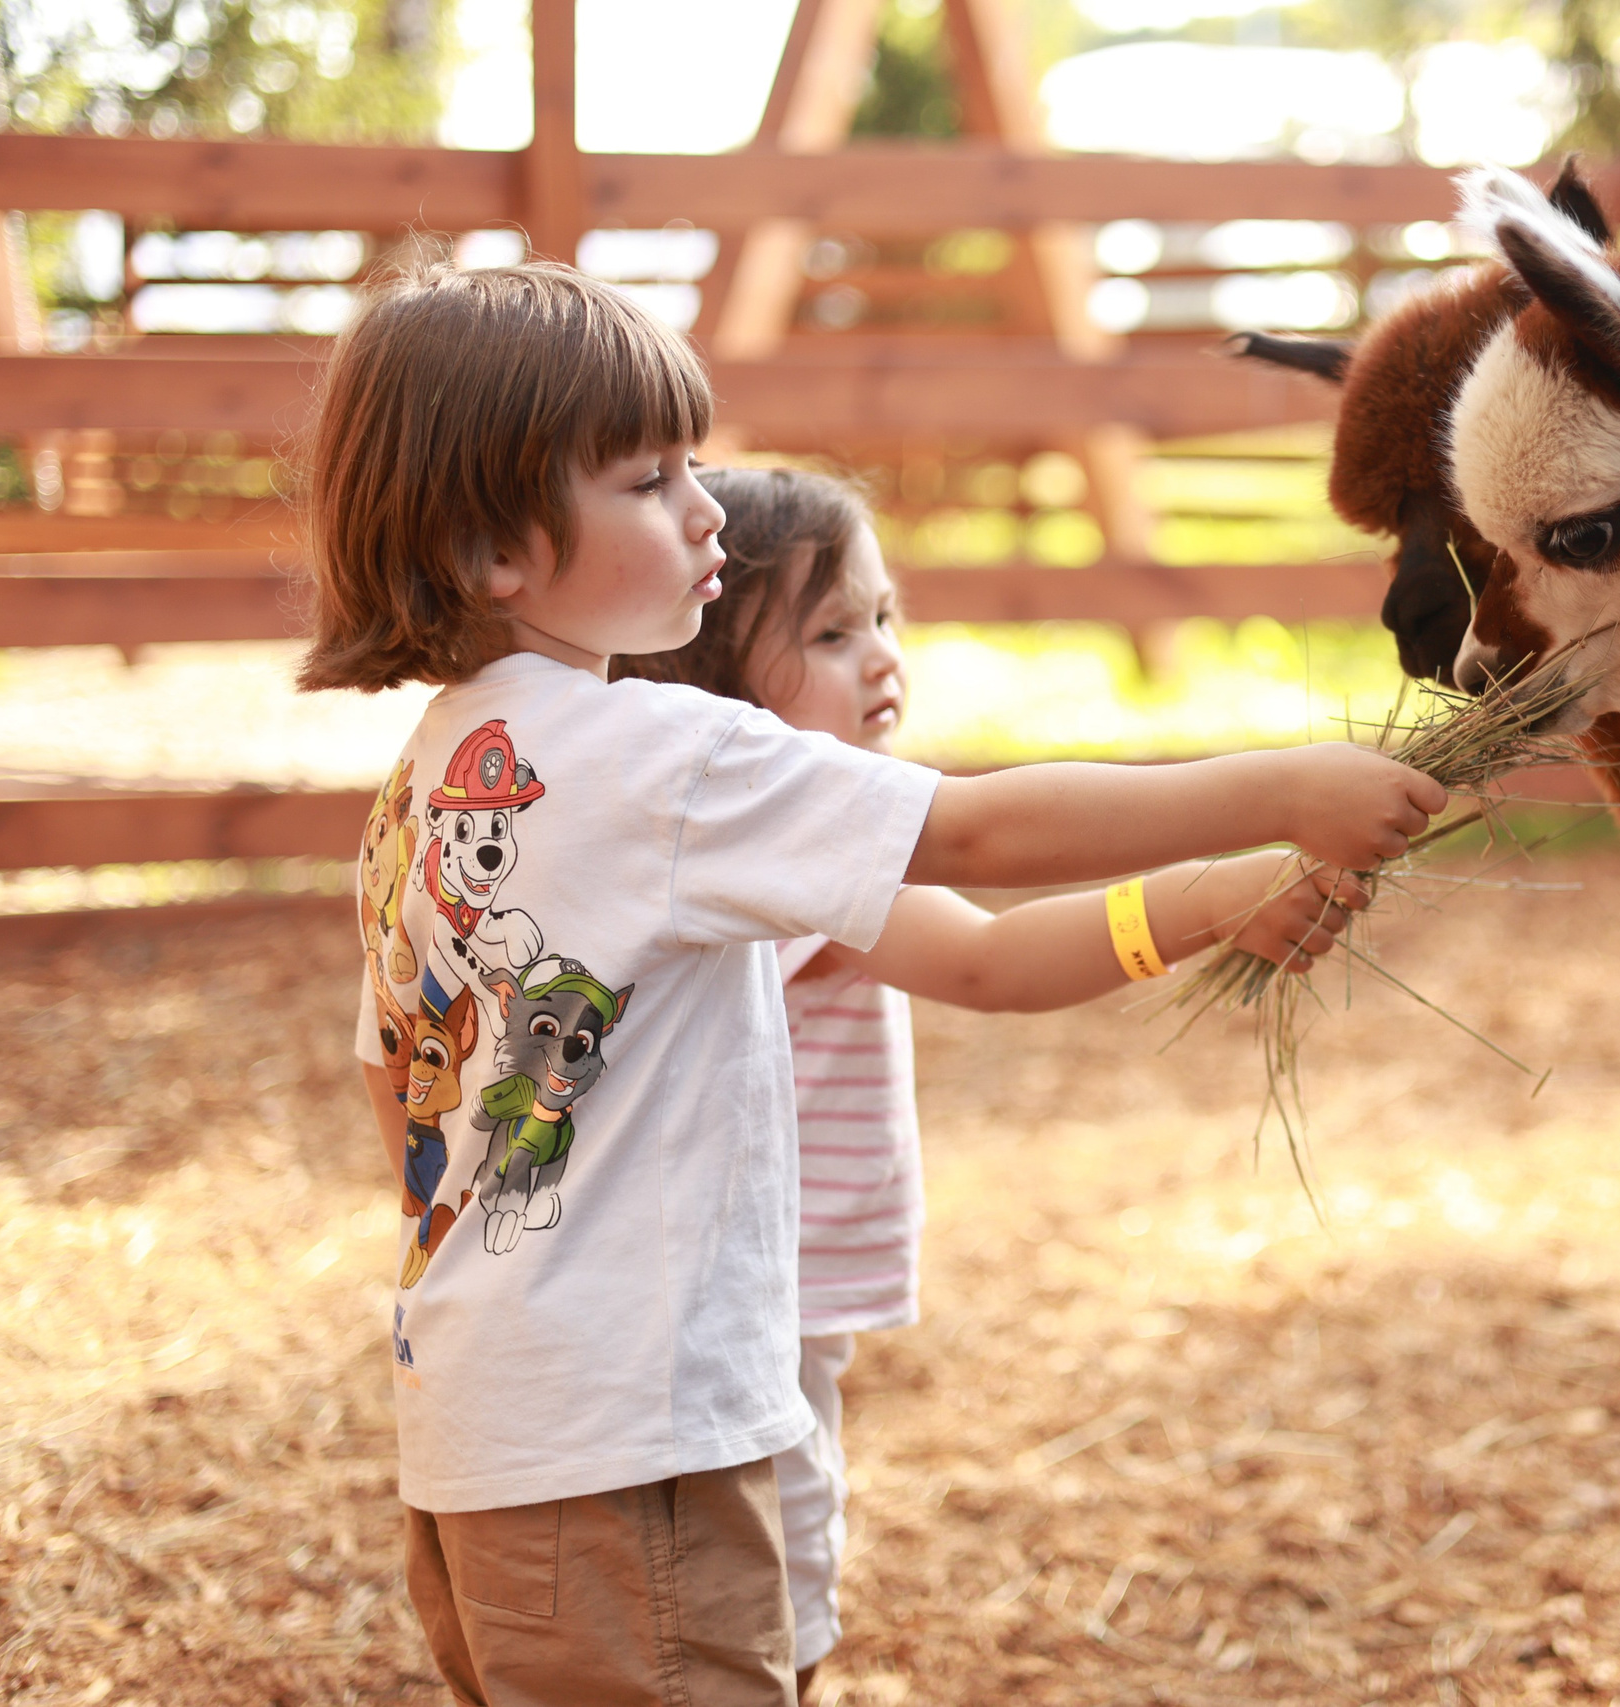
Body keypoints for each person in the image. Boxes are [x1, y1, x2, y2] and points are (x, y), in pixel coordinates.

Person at [301, 254, 1445, 1707]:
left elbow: (388, 1085)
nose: (705, 511)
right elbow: (975, 832)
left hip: (481, 1425)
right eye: (649, 481)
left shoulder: (423, 788)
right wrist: (1278, 787)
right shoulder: (656, 752)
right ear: (490, 548)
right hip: (636, 1442)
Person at [614, 466, 1367, 1695]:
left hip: (751, 1304)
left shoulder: (740, 843)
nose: (881, 655)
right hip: (731, 1317)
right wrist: (1214, 898)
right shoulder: (781, 859)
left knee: (768, 1565)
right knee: (759, 1585)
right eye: (830, 634)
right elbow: (991, 960)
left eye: (884, 616)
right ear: (712, 685)